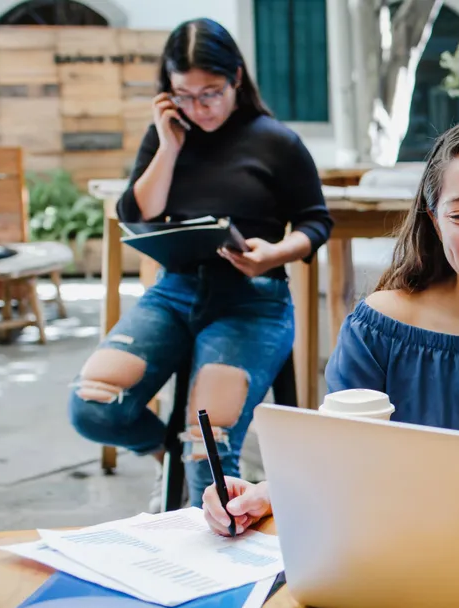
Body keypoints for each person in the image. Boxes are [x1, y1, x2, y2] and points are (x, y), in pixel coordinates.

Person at [202, 119, 459, 534]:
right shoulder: (381, 324)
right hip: (395, 552)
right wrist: (266, 493)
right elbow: (341, 456)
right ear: (436, 221)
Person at [68, 18, 333, 510]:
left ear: (236, 77)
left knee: (205, 448)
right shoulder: (168, 132)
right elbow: (135, 213)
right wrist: (169, 145)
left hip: (254, 302)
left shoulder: (276, 140)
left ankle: (203, 523)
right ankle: (168, 463)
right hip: (176, 291)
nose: (199, 107)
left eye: (210, 93)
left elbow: (316, 223)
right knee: (93, 406)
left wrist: (275, 253)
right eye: (184, 95)